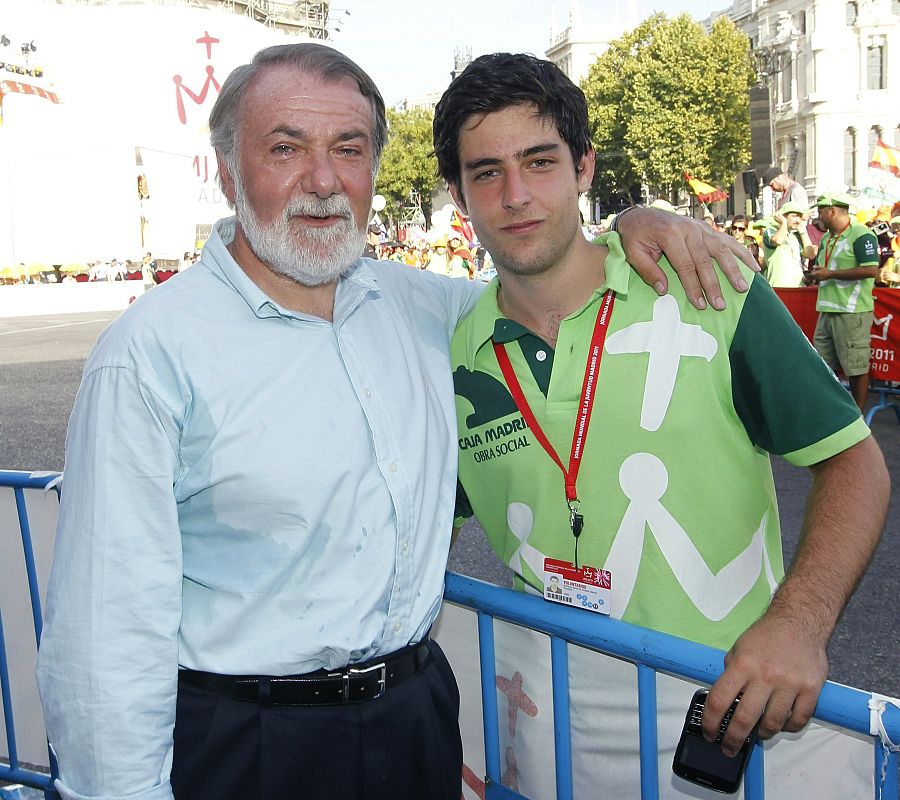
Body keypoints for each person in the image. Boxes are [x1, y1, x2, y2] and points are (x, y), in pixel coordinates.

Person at [35, 42, 758, 800]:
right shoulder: (149, 356)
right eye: (286, 148)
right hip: (250, 748)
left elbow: (545, 270)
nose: (322, 181)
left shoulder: (425, 308)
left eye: (348, 149)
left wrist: (634, 225)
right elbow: (103, 633)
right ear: (227, 171)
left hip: (412, 721)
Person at [433, 52, 889, 796]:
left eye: (540, 161)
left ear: (583, 167)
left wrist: (800, 623)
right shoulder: (450, 357)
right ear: (459, 193)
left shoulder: (710, 288)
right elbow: (416, 542)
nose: (516, 195)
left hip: (723, 725)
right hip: (545, 733)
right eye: (486, 172)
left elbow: (852, 461)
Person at [807, 193, 881, 410]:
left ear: (833, 211)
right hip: (826, 310)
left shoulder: (861, 234)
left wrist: (830, 274)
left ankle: (858, 416)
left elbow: (871, 270)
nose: (818, 215)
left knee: (856, 367)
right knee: (822, 365)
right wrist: (813, 276)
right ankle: (829, 410)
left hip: (853, 312)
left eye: (821, 210)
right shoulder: (826, 239)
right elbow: (823, 269)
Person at [761, 200, 817, 287]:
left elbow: (810, 254)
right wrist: (783, 223)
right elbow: (777, 241)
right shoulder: (770, 231)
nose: (798, 220)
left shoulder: (794, 237)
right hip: (779, 289)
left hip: (798, 287)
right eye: (794, 216)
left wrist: (803, 232)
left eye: (800, 217)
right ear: (784, 216)